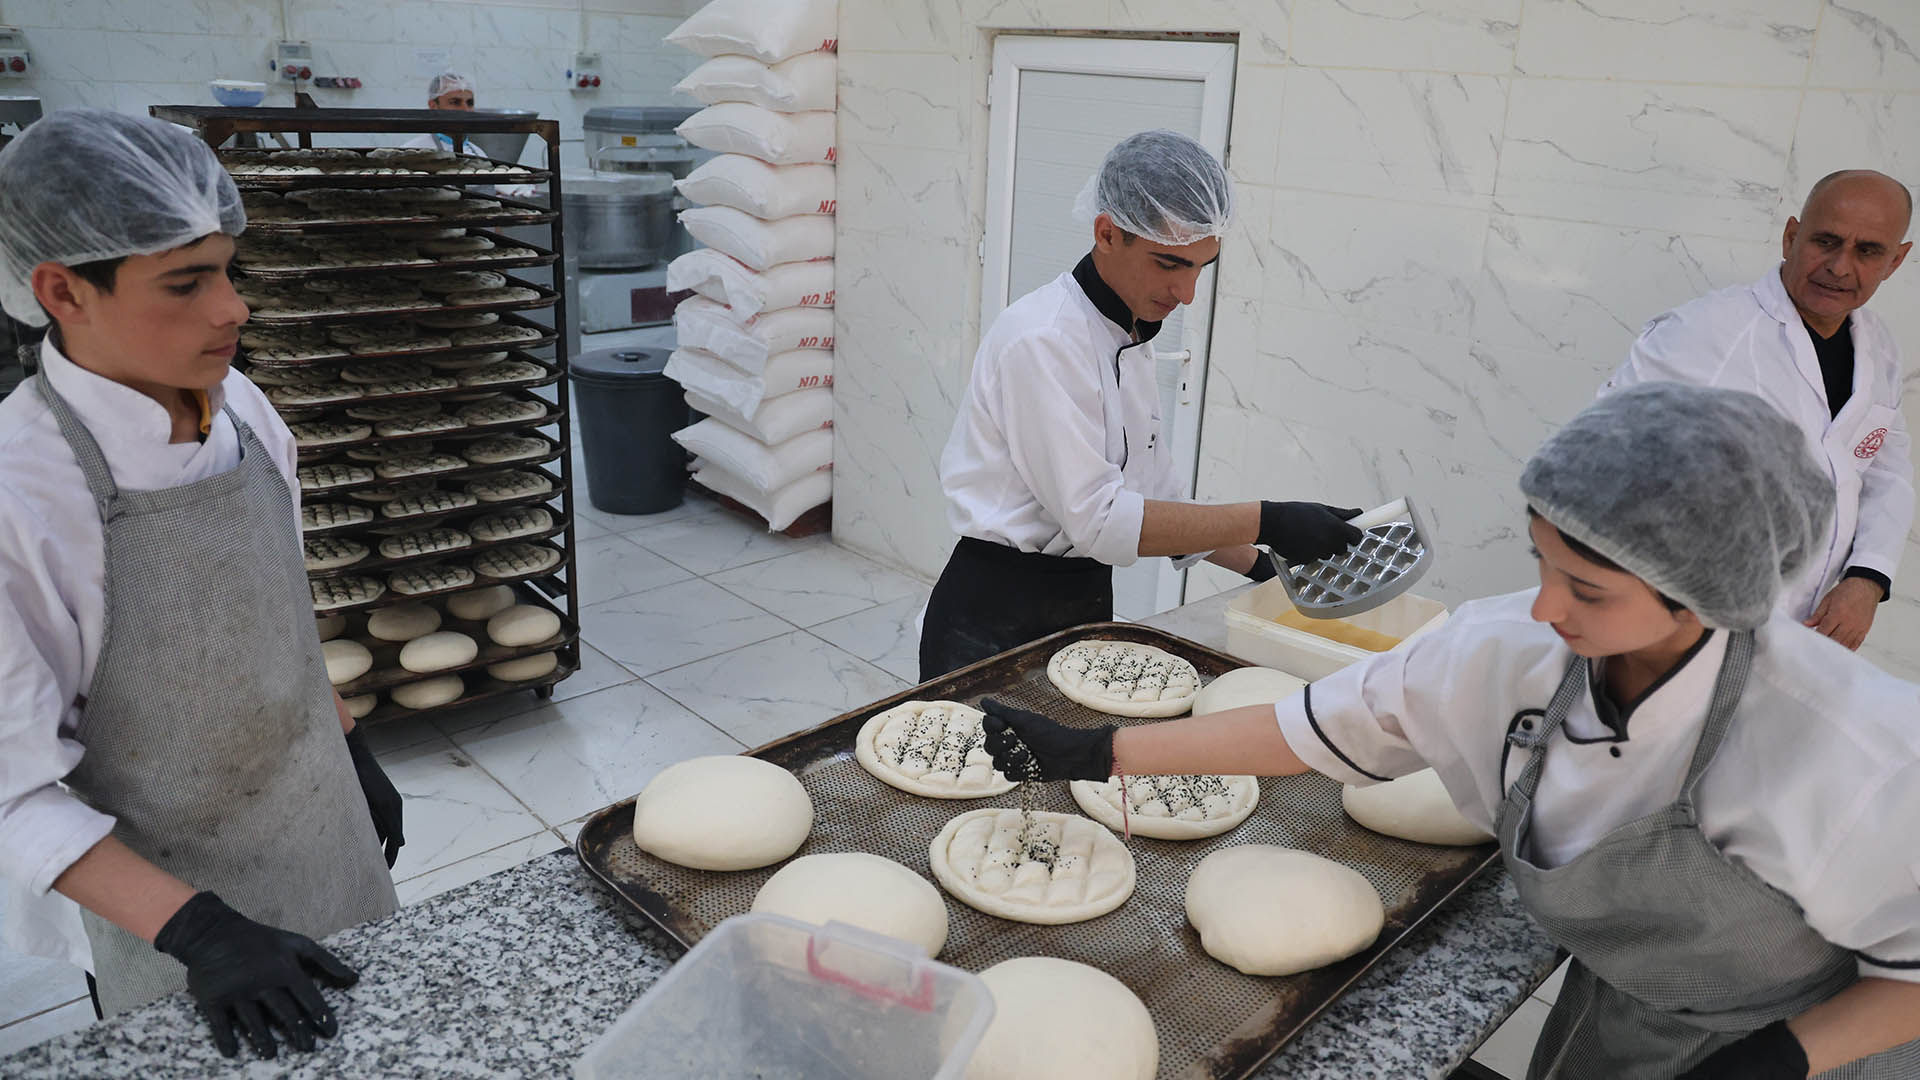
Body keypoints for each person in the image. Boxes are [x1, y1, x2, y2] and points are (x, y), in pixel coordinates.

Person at [980, 382, 1920, 1079]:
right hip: (1622, 1003)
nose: (1545, 606)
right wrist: (1101, 751)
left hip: (1803, 1037)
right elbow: (1312, 730)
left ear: (1707, 599)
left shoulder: (1851, 751)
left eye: (1587, 590)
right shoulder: (1507, 647)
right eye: (1541, 561)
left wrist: (1778, 1061)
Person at [0, 110, 403, 1059]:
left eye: (229, 269)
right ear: (63, 290)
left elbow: (275, 621)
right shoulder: (26, 494)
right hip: (171, 912)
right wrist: (201, 933)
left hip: (321, 832)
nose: (234, 309)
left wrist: (351, 746)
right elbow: (13, 795)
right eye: (187, 282)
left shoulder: (248, 415)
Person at [922, 130, 1365, 681]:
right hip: (993, 612)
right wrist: (1270, 519)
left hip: (1080, 599)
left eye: (1201, 267)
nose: (1187, 294)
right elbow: (1102, 522)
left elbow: (1158, 500)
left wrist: (1270, 567)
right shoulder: (1042, 340)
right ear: (1107, 233)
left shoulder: (1128, 336)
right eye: (1169, 264)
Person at [1603, 170, 1914, 651]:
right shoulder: (1704, 332)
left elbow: (1886, 473)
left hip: (1802, 632)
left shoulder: (1880, 349)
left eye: (1867, 250)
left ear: (1896, 260)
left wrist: (1867, 580)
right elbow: (1599, 460)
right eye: (1826, 241)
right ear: (1791, 236)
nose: (1839, 266)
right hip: (1680, 627)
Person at [402, 71, 480, 156]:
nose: (465, 109)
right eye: (455, 102)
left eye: (470, 103)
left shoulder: (479, 153)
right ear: (433, 106)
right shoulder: (413, 152)